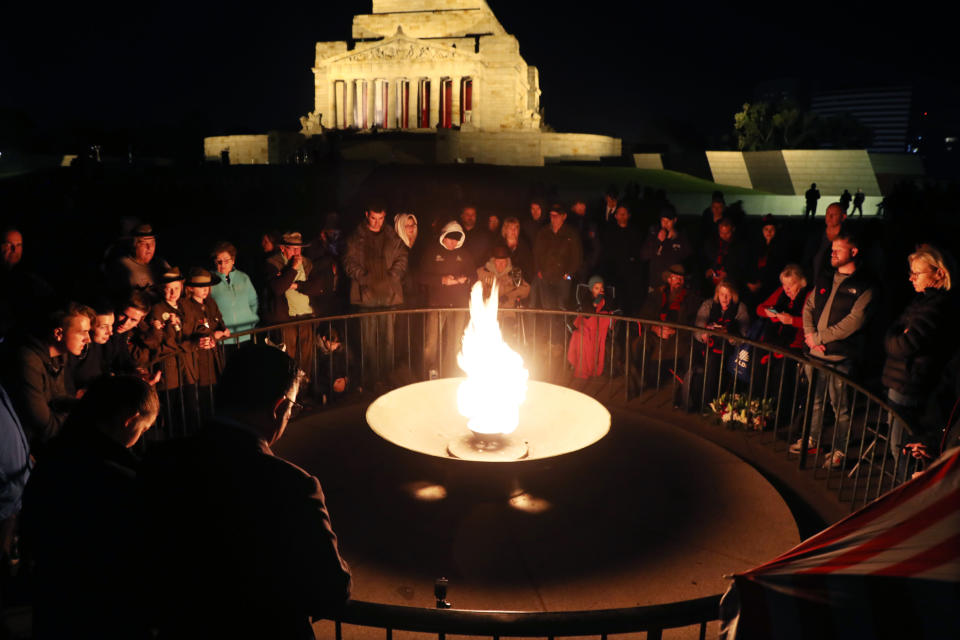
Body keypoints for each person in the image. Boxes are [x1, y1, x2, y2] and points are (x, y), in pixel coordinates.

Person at [140, 344, 351, 639]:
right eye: (292, 407)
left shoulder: (159, 460)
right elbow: (332, 587)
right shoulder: (293, 485)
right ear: (278, 408)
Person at [21, 375, 158, 640]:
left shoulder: (54, 459)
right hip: (105, 614)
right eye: (143, 429)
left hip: (55, 606)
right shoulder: (117, 479)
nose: (140, 437)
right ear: (129, 419)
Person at [796, 231, 877, 469]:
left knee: (841, 408)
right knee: (816, 401)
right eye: (832, 249)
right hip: (815, 353)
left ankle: (840, 450)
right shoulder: (825, 277)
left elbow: (854, 321)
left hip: (841, 358)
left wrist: (819, 337)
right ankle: (813, 440)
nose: (832, 253)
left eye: (838, 249)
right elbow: (808, 306)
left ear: (853, 252)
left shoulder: (865, 286)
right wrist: (811, 337)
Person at [882, 246, 955, 469]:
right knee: (899, 444)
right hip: (901, 380)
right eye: (911, 272)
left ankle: (905, 496)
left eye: (918, 273)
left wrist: (895, 336)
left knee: (903, 448)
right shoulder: (921, 301)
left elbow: (905, 344)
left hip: (910, 384)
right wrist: (895, 335)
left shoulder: (938, 306)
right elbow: (893, 333)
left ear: (939, 273)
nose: (912, 278)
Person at [5, 303, 93, 454]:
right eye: (83, 332)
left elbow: (58, 399)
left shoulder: (59, 356)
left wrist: (89, 405)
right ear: (58, 333)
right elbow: (44, 426)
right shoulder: (28, 361)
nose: (88, 339)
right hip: (24, 446)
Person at [344, 203, 408, 386]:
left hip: (388, 297)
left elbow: (402, 258)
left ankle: (387, 379)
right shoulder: (356, 238)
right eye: (373, 218)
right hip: (367, 297)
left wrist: (392, 276)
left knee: (388, 343)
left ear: (384, 216)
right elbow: (348, 261)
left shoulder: (392, 236)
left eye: (380, 218)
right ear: (367, 215)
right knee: (368, 343)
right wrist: (363, 278)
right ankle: (370, 380)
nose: (377, 222)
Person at [265, 231, 333, 379]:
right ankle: (288, 397)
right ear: (283, 248)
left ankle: (303, 395)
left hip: (306, 317)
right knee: (287, 362)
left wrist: (296, 285)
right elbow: (278, 288)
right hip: (286, 320)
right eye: (292, 248)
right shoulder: (273, 263)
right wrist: (293, 269)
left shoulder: (307, 263)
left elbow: (317, 287)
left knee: (305, 362)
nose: (297, 252)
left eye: (299, 248)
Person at [681, 280, 749, 411]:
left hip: (728, 349)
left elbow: (744, 333)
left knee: (713, 361)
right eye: (722, 294)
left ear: (733, 295)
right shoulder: (708, 304)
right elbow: (699, 326)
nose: (724, 298)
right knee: (690, 357)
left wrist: (729, 335)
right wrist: (704, 334)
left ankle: (706, 405)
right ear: (717, 294)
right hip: (707, 344)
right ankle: (688, 399)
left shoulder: (740, 308)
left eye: (728, 295)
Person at [421, 221, 474, 378]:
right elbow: (421, 276)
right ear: (443, 237)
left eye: (456, 240)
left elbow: (473, 274)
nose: (454, 243)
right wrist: (442, 280)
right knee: (431, 342)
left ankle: (453, 373)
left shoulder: (464, 254)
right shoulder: (431, 253)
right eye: (451, 239)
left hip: (459, 305)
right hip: (437, 304)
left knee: (456, 341)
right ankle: (429, 373)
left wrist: (466, 278)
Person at [637, 264, 699, 389]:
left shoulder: (690, 298)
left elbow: (693, 321)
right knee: (639, 344)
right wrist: (654, 328)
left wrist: (674, 331)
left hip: (677, 339)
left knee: (656, 374)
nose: (679, 282)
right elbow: (644, 315)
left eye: (681, 279)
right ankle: (638, 379)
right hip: (655, 334)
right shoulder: (656, 294)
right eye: (676, 278)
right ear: (669, 279)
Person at [209, 241, 259, 343]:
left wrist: (252, 320)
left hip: (245, 334)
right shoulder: (209, 280)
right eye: (219, 261)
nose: (223, 265)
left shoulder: (243, 278)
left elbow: (253, 301)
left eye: (226, 261)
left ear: (233, 260)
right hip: (223, 338)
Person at [108, 223, 171, 298]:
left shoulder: (161, 263)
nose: (149, 247)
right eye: (144, 243)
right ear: (134, 245)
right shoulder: (122, 266)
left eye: (152, 243)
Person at [567, 276, 613, 378]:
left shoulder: (606, 298)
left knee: (590, 340)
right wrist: (596, 302)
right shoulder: (587, 298)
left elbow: (609, 309)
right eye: (596, 288)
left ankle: (590, 368)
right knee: (578, 336)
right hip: (586, 325)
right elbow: (587, 313)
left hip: (598, 327)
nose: (599, 291)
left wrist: (601, 300)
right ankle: (578, 365)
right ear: (592, 288)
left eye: (601, 288)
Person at [744, 214, 787, 306]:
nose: (769, 232)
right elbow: (748, 264)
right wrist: (749, 282)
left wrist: (762, 284)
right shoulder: (754, 246)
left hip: (770, 286)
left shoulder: (781, 248)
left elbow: (777, 269)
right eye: (766, 229)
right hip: (752, 284)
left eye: (772, 229)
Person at [802, 202, 846, 285]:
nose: (829, 217)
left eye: (834, 214)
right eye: (827, 213)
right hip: (811, 283)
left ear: (843, 217)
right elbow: (806, 258)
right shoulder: (816, 235)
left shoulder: (846, 239)